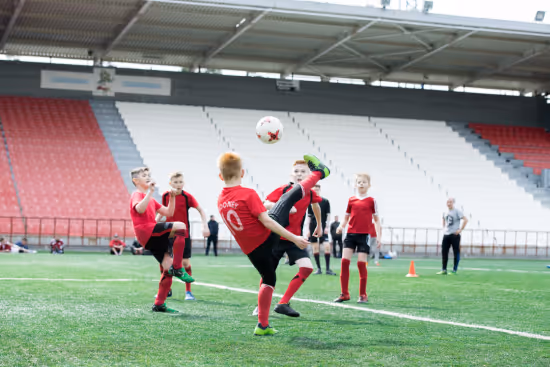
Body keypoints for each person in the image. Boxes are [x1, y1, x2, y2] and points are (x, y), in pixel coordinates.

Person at [217, 152, 329, 336]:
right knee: (287, 199)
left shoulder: (220, 200)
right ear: (243, 173)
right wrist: (294, 238)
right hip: (266, 237)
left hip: (251, 250)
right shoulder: (248, 194)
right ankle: (319, 173)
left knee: (269, 279)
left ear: (220, 176)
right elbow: (267, 222)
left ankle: (262, 325)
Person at [253, 159, 323, 319]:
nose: (299, 174)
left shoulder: (310, 193)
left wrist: (319, 225)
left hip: (294, 239)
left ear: (309, 176)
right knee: (267, 274)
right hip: (277, 237)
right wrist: (281, 204)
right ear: (291, 174)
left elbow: (316, 205)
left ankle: (283, 303)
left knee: (307, 268)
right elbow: (265, 204)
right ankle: (259, 306)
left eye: (303, 171)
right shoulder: (284, 189)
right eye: (296, 171)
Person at [129, 167, 194, 313]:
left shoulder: (150, 199)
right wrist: (150, 192)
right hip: (147, 231)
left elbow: (169, 212)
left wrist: (171, 198)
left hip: (152, 236)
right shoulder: (137, 194)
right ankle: (178, 267)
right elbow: (139, 209)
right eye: (144, 175)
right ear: (136, 181)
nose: (148, 177)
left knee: (167, 268)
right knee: (181, 226)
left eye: (149, 175)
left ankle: (159, 304)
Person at [158, 171, 210, 301]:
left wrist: (205, 225)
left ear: (183, 183)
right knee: (164, 261)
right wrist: (153, 223)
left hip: (183, 234)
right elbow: (163, 210)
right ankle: (166, 290)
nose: (178, 184)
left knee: (185, 262)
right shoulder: (165, 195)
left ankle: (188, 292)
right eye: (175, 182)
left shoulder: (187, 197)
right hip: (168, 233)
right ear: (170, 183)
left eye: (180, 182)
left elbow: (201, 211)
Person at [334, 173, 381, 304]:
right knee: (344, 262)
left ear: (369, 185)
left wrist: (378, 236)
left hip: (364, 236)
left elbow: (377, 220)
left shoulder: (372, 201)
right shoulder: (351, 200)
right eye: (359, 182)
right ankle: (344, 293)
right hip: (350, 235)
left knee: (361, 264)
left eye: (364, 182)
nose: (361, 184)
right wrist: (341, 226)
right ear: (355, 184)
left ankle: (362, 295)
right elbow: (346, 216)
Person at [306, 184, 335, 275]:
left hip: (323, 227)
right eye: (314, 190)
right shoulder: (310, 202)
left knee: (327, 246)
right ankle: (318, 269)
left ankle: (327, 269)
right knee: (315, 247)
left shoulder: (325, 201)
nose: (316, 191)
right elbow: (309, 217)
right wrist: (307, 229)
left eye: (317, 189)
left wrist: (327, 226)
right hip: (313, 226)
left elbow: (328, 215)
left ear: (320, 190)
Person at [437, 198, 468, 275]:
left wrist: (460, 229)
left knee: (456, 252)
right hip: (446, 235)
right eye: (448, 202)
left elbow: (465, 219)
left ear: (453, 203)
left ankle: (454, 270)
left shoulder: (457, 211)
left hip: (454, 235)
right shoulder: (445, 212)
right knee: (444, 252)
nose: (449, 203)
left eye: (450, 202)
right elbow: (443, 219)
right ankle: (444, 269)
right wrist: (444, 228)